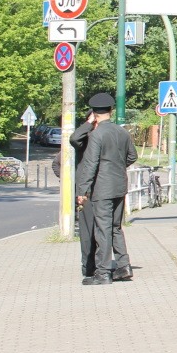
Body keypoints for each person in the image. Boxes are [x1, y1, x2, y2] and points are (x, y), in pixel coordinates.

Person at [75, 93, 138, 285]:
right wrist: (116, 168)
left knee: (102, 229)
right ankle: (123, 267)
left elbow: (91, 164)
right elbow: (132, 157)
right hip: (120, 185)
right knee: (116, 228)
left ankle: (102, 273)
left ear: (94, 113)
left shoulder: (96, 135)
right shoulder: (123, 132)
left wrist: (82, 191)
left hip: (102, 188)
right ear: (111, 111)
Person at [68, 103, 100, 279]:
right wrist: (89, 124)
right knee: (87, 230)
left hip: (103, 188)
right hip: (86, 191)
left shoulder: (105, 136)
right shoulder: (85, 139)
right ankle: (88, 265)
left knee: (103, 229)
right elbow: (74, 138)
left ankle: (101, 265)